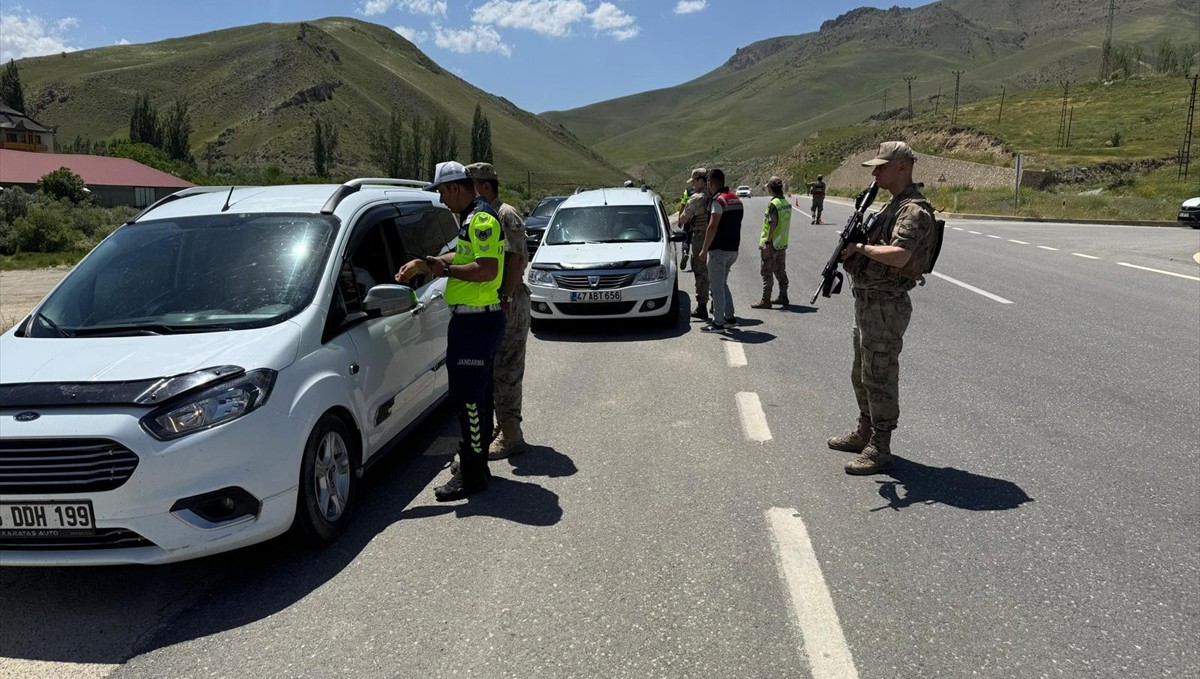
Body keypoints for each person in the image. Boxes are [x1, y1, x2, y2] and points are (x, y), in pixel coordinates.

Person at [395, 161, 505, 500]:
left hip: (476, 323)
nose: (442, 201)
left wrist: (445, 270)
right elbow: (465, 252)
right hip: (474, 321)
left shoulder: (482, 219)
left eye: (442, 192)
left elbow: (486, 270)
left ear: (455, 187)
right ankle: (477, 463)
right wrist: (430, 263)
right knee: (478, 398)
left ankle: (472, 473)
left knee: (469, 401)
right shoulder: (473, 217)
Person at [828, 141, 937, 475]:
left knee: (880, 375)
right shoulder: (892, 205)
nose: (875, 173)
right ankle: (865, 430)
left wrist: (860, 248)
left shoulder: (913, 210)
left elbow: (900, 256)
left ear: (902, 167)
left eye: (881, 167)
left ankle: (881, 445)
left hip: (886, 305)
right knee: (861, 373)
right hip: (867, 302)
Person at [465, 162, 530, 460]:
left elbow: (517, 260)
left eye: (472, 185)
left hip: (510, 300)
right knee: (493, 368)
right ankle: (501, 427)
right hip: (495, 301)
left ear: (485, 186)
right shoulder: (482, 215)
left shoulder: (505, 214)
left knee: (507, 367)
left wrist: (504, 296)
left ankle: (511, 434)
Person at [696, 167, 743, 334]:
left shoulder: (718, 201)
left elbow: (713, 225)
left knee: (716, 287)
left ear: (710, 183)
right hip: (733, 250)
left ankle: (718, 323)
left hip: (719, 251)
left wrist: (703, 249)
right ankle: (730, 318)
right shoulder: (735, 199)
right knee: (722, 284)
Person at [751, 176, 791, 309]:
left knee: (766, 271)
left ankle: (765, 299)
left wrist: (767, 243)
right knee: (780, 270)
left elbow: (772, 223)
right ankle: (783, 296)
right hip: (782, 243)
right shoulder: (785, 203)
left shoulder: (773, 204)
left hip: (772, 243)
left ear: (771, 188)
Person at [676, 167, 711, 319]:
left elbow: (683, 219)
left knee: (700, 270)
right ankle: (718, 303)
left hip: (700, 236)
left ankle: (702, 307)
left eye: (694, 181)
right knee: (716, 271)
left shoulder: (696, 198)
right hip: (715, 236)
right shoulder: (714, 195)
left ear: (700, 180)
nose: (693, 185)